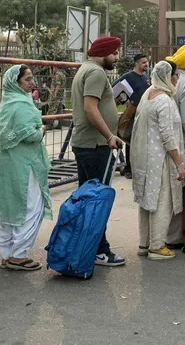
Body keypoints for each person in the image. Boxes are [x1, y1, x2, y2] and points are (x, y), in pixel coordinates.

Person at [69, 35, 126, 268]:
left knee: (88, 199)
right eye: (114, 54)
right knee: (97, 201)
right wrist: (110, 135)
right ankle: (99, 250)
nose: (116, 58)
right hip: (95, 146)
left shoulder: (85, 69)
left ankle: (88, 247)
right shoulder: (95, 73)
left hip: (88, 144)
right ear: (104, 53)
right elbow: (90, 108)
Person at [0, 65, 52, 271]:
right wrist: (42, 129)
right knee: (31, 208)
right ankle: (19, 255)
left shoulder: (7, 102)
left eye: (32, 78)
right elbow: (31, 135)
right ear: (15, 82)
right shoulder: (22, 105)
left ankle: (7, 254)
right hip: (25, 165)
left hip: (8, 164)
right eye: (27, 79)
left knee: (11, 208)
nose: (32, 82)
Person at [131, 61, 185, 261]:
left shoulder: (148, 94)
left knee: (147, 202)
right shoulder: (164, 101)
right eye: (176, 75)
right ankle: (157, 246)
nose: (177, 79)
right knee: (162, 202)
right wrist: (179, 163)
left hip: (144, 157)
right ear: (167, 76)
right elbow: (167, 136)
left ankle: (144, 244)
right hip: (160, 159)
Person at [114, 53, 150, 178]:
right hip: (132, 114)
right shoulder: (128, 77)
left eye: (146, 62)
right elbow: (114, 88)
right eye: (143, 62)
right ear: (137, 64)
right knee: (131, 140)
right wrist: (126, 101)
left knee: (141, 142)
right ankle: (129, 168)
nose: (146, 64)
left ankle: (138, 167)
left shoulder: (146, 77)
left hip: (145, 113)